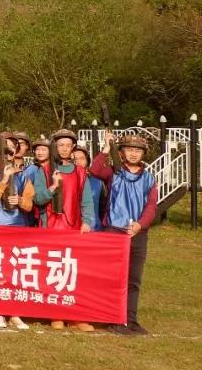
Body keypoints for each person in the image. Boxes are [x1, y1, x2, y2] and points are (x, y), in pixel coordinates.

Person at [91, 133, 156, 336]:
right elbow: (95, 170)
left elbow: (151, 206)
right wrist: (105, 149)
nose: (134, 153)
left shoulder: (149, 178)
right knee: (114, 278)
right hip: (114, 230)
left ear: (143, 153)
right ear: (121, 153)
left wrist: (140, 225)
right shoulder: (114, 172)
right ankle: (114, 319)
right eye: (129, 149)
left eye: (138, 150)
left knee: (134, 280)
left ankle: (130, 320)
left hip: (137, 233)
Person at [33, 129, 95, 332]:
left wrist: (87, 221)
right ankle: (56, 314)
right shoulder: (44, 170)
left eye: (68, 145)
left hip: (73, 226)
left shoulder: (80, 172)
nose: (65, 149)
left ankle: (76, 316)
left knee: (74, 271)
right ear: (55, 147)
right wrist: (52, 187)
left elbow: (86, 200)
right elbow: (37, 199)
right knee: (54, 270)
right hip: (50, 226)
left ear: (73, 147)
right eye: (61, 145)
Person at [0, 132, 33, 330]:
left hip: (18, 228)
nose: (9, 149)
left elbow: (29, 204)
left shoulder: (23, 175)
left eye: (12, 146)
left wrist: (20, 200)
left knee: (15, 271)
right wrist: (4, 181)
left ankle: (15, 312)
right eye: (5, 146)